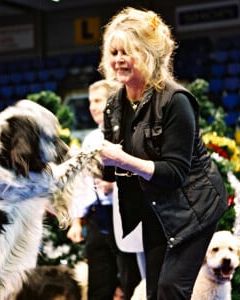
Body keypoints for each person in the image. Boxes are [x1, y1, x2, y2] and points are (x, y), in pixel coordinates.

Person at [98, 7, 228, 300]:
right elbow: (110, 171)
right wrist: (93, 162)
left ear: (147, 54)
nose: (118, 59)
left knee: (171, 289)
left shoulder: (176, 100)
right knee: (154, 291)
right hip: (154, 209)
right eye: (113, 51)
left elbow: (174, 173)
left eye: (126, 52)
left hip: (193, 208)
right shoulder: (114, 105)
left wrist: (120, 158)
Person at [67, 79, 142, 300]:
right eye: (90, 101)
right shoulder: (90, 139)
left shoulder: (132, 132)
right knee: (98, 286)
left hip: (126, 215)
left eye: (98, 100)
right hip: (97, 219)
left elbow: (143, 173)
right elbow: (82, 184)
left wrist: (115, 185)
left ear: (112, 101)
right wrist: (76, 221)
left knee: (132, 281)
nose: (92, 106)